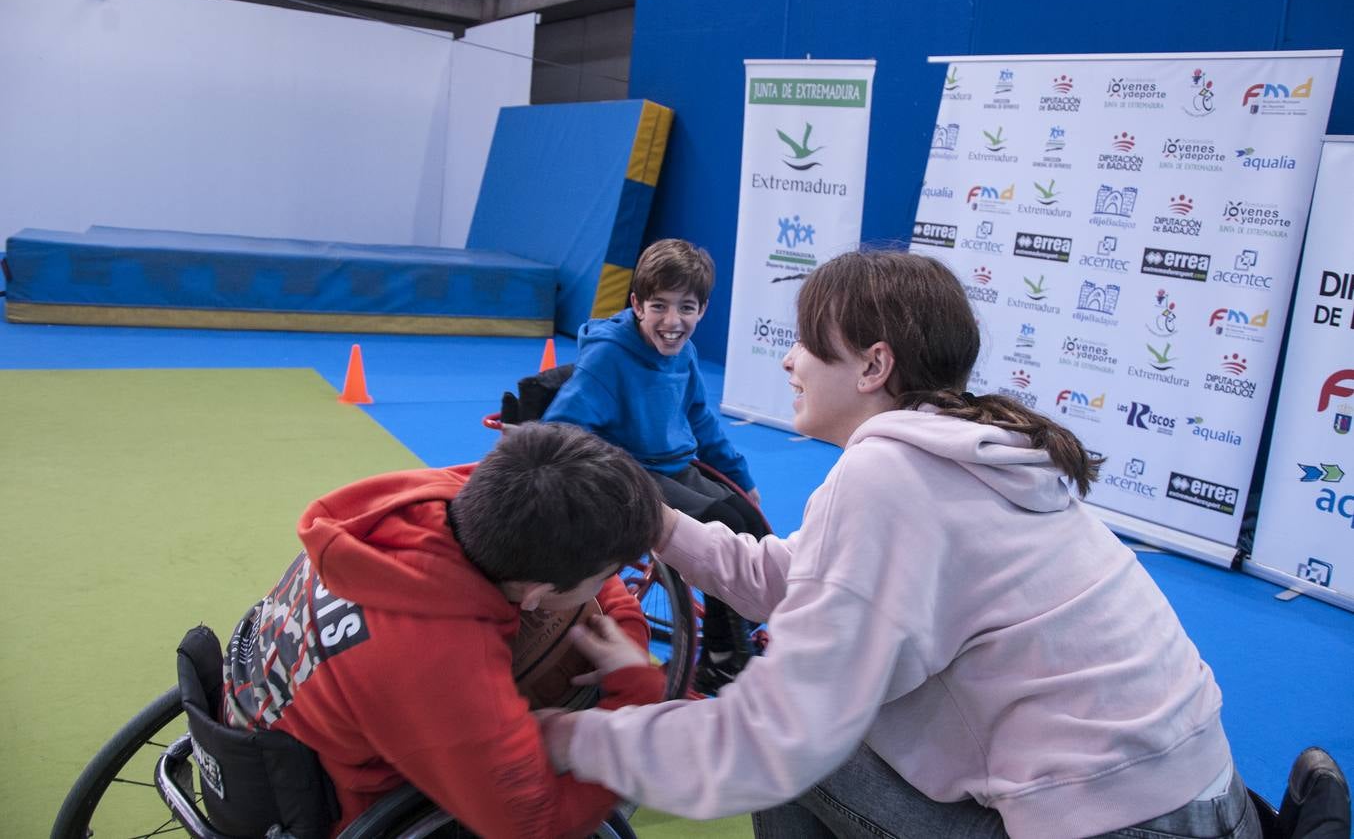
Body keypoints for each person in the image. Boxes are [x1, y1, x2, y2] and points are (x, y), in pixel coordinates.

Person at [540, 250, 1262, 839]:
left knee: (807, 746)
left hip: (1122, 824)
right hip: (1208, 798)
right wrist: (656, 521)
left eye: (804, 344)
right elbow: (795, 578)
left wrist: (577, 739)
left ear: (873, 366)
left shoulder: (890, 472)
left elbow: (774, 740)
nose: (789, 362)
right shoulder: (971, 449)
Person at [221, 421, 667, 838]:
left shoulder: (446, 496)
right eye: (608, 572)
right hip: (344, 806)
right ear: (534, 593)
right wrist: (633, 695)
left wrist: (621, 623)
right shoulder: (440, 660)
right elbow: (537, 826)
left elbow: (583, 553)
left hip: (254, 720)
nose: (614, 581)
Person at [542, 238, 766, 693]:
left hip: (673, 465)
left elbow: (702, 420)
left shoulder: (684, 353)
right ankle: (721, 660)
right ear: (637, 305)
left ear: (702, 309)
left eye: (686, 307)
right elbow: (560, 428)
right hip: (627, 472)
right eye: (659, 306)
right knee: (719, 525)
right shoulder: (608, 356)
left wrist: (743, 480)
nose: (672, 321)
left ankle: (739, 630)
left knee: (749, 521)